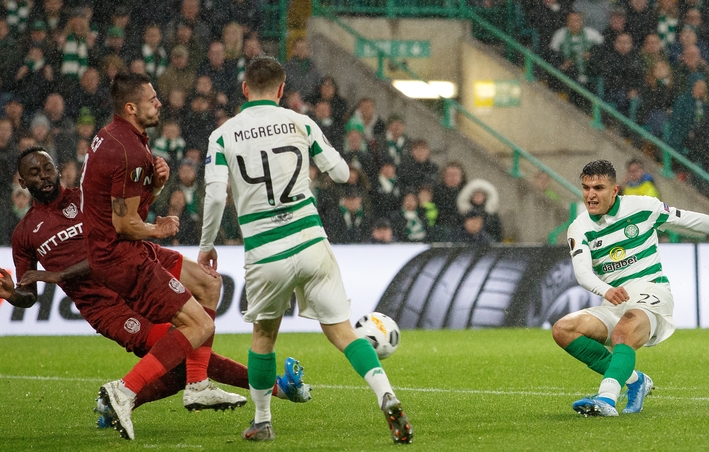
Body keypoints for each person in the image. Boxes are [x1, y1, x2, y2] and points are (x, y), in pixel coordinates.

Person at [1, 147, 311, 428]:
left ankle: (157, 392)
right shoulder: (25, 233)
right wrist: (12, 293)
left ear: (57, 169)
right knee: (180, 349)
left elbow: (119, 233)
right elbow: (29, 293)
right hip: (108, 306)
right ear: (22, 182)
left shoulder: (89, 196)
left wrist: (157, 186)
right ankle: (272, 387)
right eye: (34, 173)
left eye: (47, 168)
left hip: (137, 265)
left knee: (209, 284)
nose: (43, 176)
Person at [197, 57, 413, 444]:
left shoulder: (223, 134)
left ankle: (262, 421)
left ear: (245, 89)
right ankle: (388, 396)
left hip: (266, 251)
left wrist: (208, 245)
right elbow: (343, 174)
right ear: (281, 90)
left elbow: (215, 197)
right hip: (311, 241)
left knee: (264, 338)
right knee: (344, 334)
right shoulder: (301, 122)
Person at [80, 73, 243, 440]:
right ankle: (124, 391)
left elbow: (122, 208)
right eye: (152, 100)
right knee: (199, 325)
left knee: (208, 284)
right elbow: (125, 223)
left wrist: (154, 186)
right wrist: (160, 228)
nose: (160, 104)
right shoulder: (129, 150)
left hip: (126, 248)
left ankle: (198, 385)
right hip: (121, 256)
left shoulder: (116, 138)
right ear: (131, 107)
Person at [553, 160, 709, 417]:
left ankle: (606, 399)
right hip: (613, 301)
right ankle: (634, 380)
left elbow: (690, 220)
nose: (591, 195)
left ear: (615, 190)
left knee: (623, 332)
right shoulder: (579, 227)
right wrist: (605, 290)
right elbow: (582, 271)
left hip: (651, 293)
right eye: (586, 188)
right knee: (563, 329)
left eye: (598, 187)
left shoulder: (643, 207)